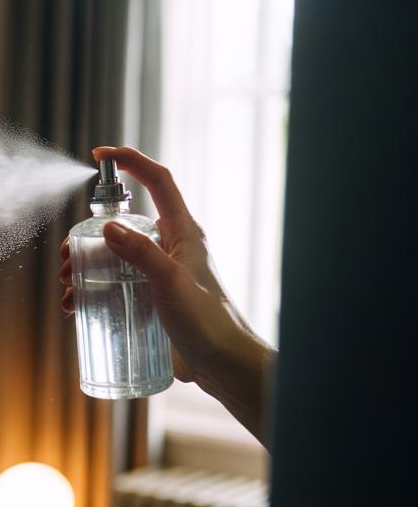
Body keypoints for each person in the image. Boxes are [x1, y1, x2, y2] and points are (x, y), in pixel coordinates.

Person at [58, 146, 277, 447]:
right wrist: (215, 358)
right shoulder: (93, 233)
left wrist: (217, 351)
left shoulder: (140, 232)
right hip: (125, 376)